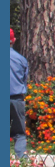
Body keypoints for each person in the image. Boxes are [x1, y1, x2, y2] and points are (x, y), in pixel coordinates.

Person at [9, 29, 28, 159]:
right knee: (19, 133)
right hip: (16, 99)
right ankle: (22, 162)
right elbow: (24, 80)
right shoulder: (21, 60)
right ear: (13, 40)